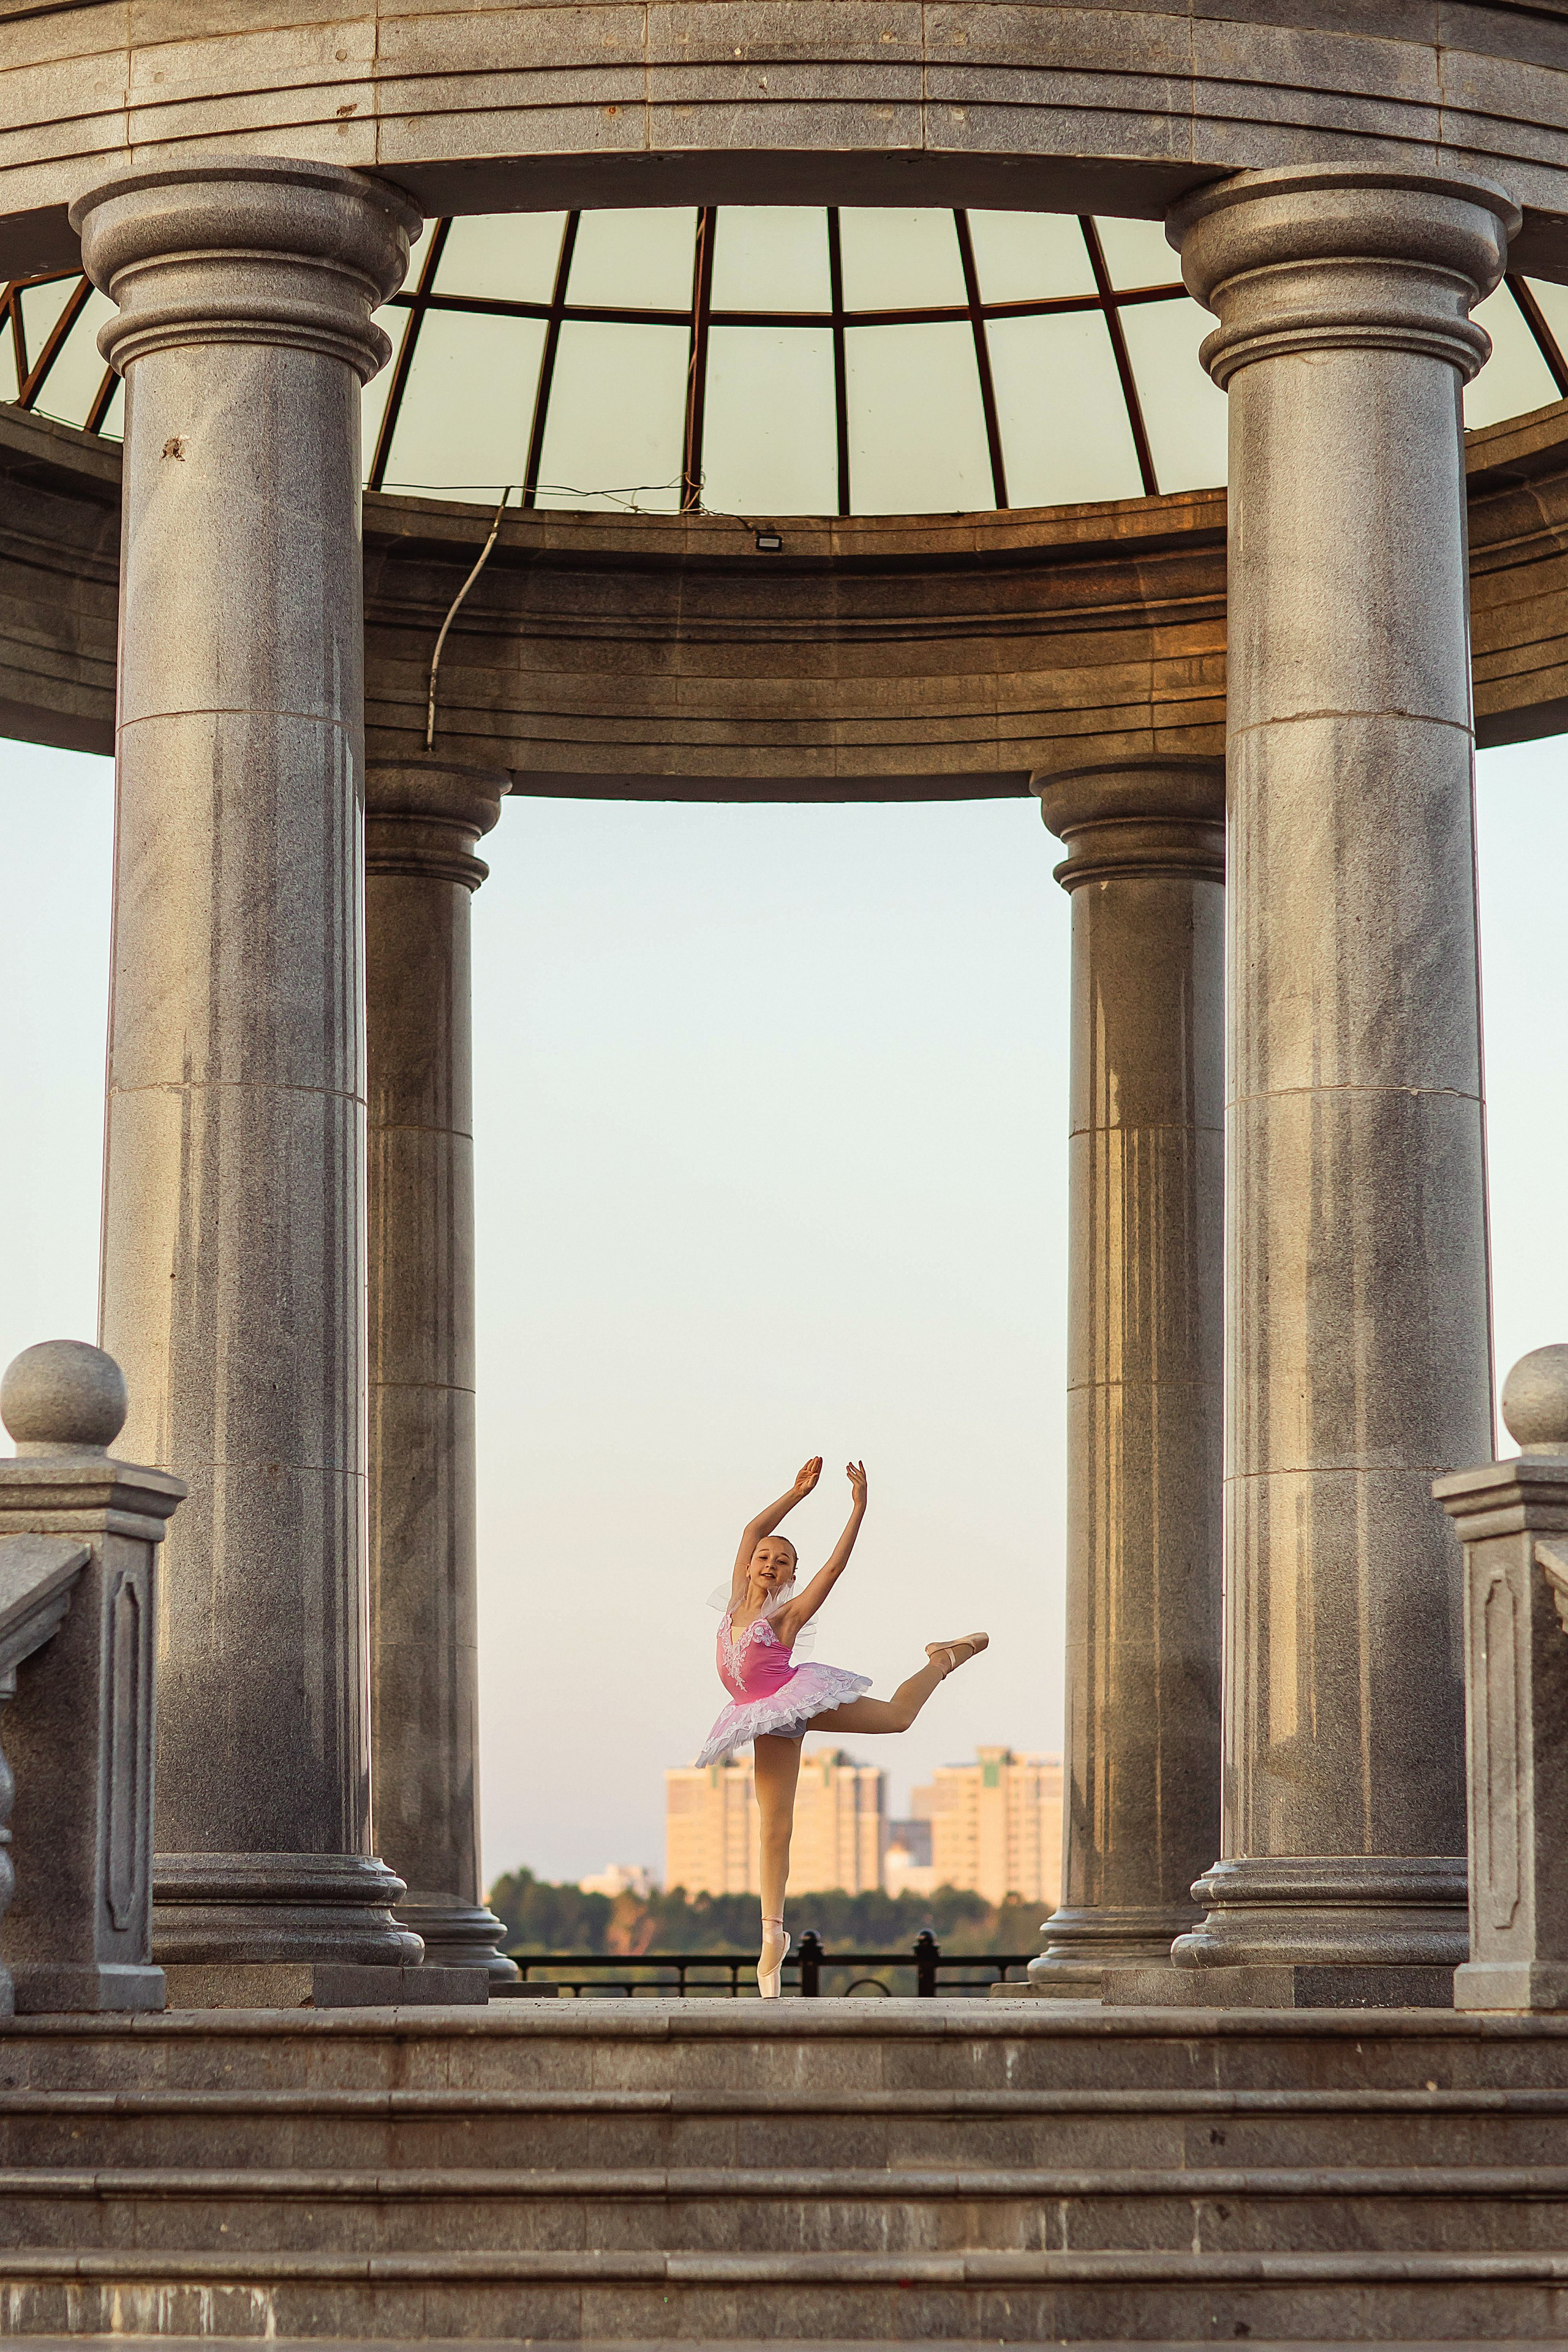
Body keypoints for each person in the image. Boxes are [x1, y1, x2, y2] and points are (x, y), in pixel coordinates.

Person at [698, 1456, 988, 1997]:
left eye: (782, 1562)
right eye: (764, 1557)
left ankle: (944, 1659)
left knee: (898, 1719)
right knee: (773, 1827)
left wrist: (857, 1509)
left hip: (788, 1702)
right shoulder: (737, 1600)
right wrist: (797, 1492)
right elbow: (752, 1529)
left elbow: (832, 1570)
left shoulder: (783, 1618)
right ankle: (772, 1937)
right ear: (747, 1566)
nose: (769, 1562)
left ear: (790, 1576)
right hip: (758, 1710)